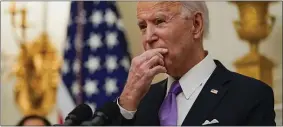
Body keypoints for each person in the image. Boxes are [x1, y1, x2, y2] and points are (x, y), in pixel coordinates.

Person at [112, 1, 276, 126]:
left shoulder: (250, 96)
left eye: (159, 21)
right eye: (142, 26)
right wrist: (128, 99)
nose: (148, 37)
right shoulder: (137, 101)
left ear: (196, 25)